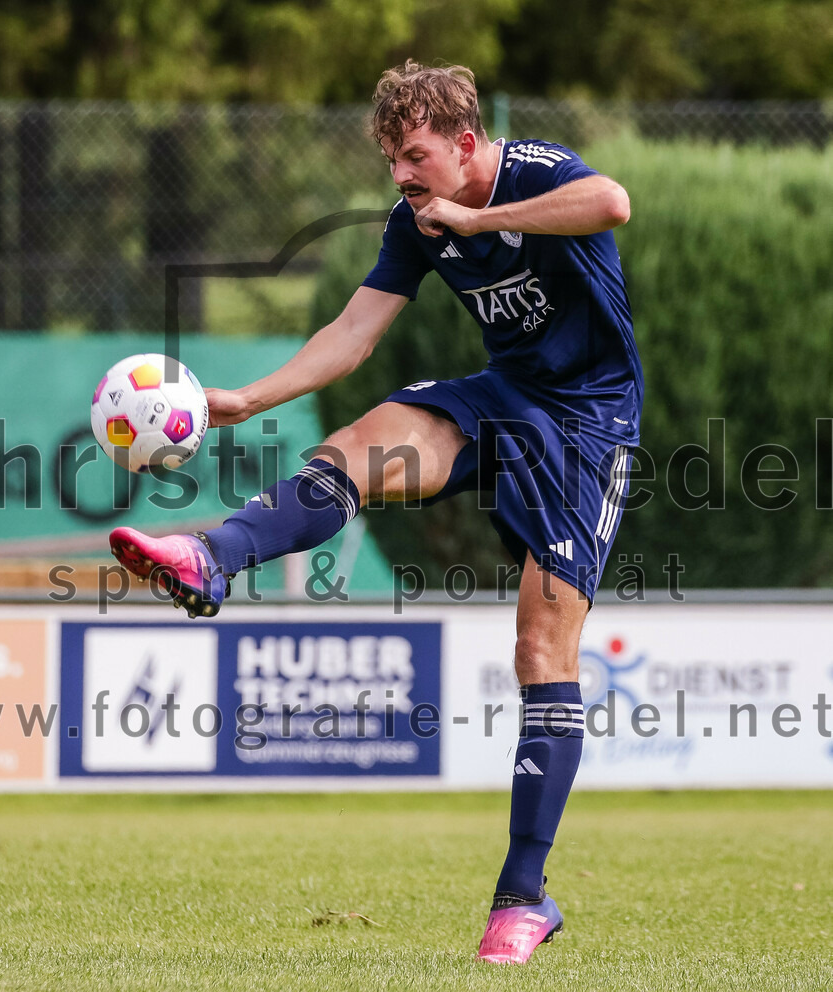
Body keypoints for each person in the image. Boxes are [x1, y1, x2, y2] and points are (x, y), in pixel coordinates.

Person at [109, 60, 642, 964]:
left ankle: (523, 897)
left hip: (591, 427)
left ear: (466, 142)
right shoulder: (415, 224)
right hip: (504, 399)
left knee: (540, 652)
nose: (401, 174)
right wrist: (249, 400)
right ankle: (211, 557)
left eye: (415, 155)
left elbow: (613, 202)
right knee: (358, 443)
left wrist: (481, 218)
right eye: (393, 158)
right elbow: (353, 333)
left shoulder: (535, 173)